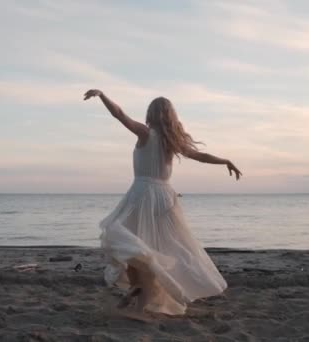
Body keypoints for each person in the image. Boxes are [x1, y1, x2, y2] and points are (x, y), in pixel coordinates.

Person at [84, 89, 242, 315]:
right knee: (156, 245)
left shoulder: (146, 134)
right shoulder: (172, 142)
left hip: (142, 193)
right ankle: (140, 292)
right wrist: (225, 161)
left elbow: (120, 114)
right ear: (171, 117)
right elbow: (200, 156)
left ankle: (139, 290)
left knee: (128, 242)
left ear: (151, 114)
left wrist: (102, 96)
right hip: (165, 197)